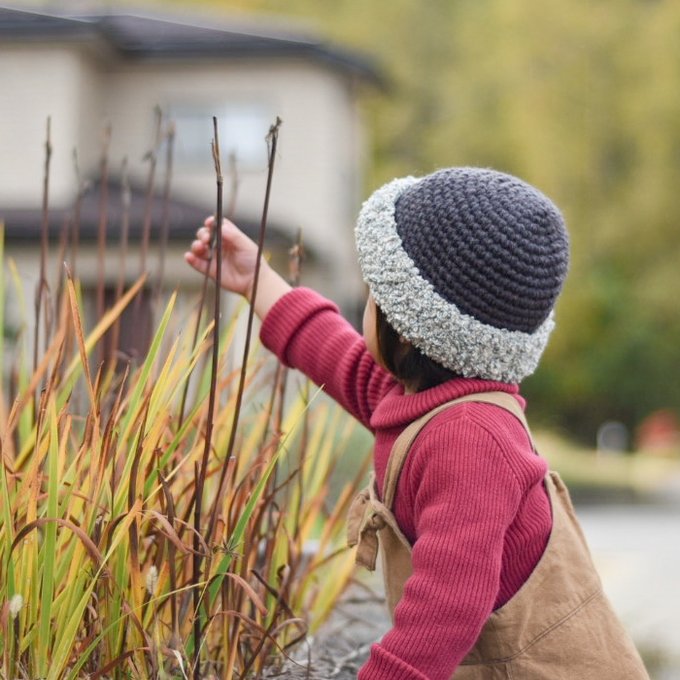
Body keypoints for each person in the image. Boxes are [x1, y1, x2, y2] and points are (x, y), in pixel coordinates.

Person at [185, 167, 648, 679]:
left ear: (407, 328)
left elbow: (444, 612)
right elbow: (337, 356)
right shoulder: (429, 403)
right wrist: (257, 281)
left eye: (373, 295)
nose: (362, 308)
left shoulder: (470, 441)